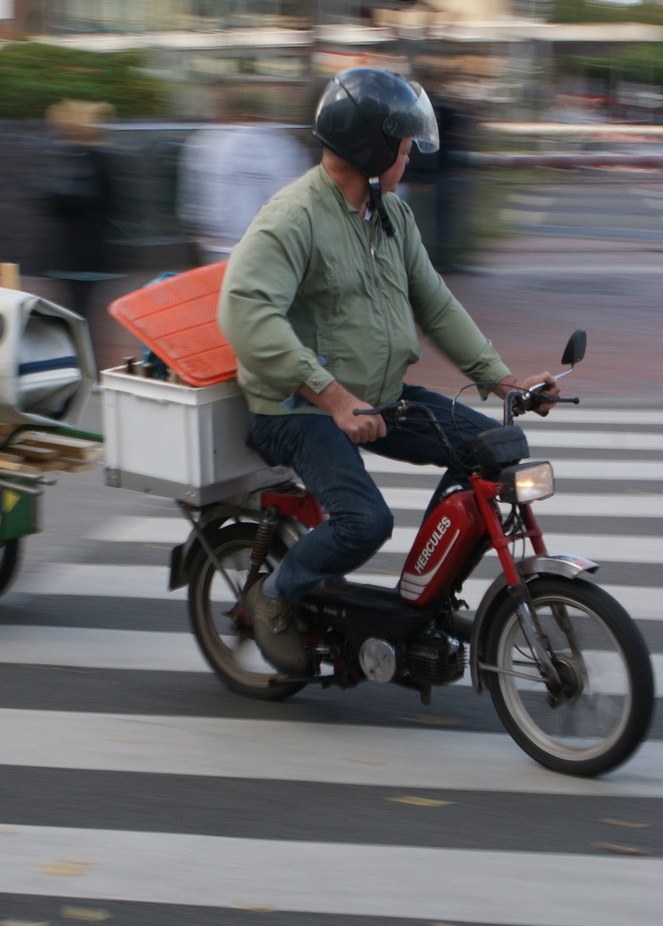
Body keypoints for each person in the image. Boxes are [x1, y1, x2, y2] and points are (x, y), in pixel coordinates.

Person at [217, 67, 560, 677]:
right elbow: (244, 314)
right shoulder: (293, 216)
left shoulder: (391, 217)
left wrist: (502, 379)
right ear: (373, 148)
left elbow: (434, 302)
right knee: (364, 521)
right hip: (295, 409)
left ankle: (423, 597)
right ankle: (272, 596)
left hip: (380, 396)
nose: (410, 154)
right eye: (403, 144)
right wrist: (332, 396)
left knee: (493, 450)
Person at [177, 87, 312, 264]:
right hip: (266, 242)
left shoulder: (205, 142)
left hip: (220, 244)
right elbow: (296, 194)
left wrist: (198, 232)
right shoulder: (283, 144)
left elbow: (193, 197)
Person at [43, 100, 121, 318]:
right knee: (80, 311)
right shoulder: (99, 160)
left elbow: (51, 203)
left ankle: (76, 347)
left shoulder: (66, 158)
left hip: (68, 253)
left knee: (74, 310)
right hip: (90, 252)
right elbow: (115, 204)